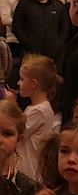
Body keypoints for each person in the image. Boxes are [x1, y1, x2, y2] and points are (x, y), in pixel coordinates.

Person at [16, 54, 61, 184]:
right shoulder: (36, 108)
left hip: (29, 171)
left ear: (34, 83)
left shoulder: (40, 111)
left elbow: (18, 133)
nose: (18, 83)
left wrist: (12, 106)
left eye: (22, 79)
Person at [12, 0, 70, 64]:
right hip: (31, 55)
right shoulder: (24, 4)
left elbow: (65, 28)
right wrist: (28, 44)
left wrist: (58, 45)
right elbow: (16, 27)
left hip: (54, 55)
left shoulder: (58, 5)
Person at [1, 0, 26, 87]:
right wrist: (23, 23)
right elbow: (5, 20)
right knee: (14, 72)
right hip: (13, 39)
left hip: (28, 39)